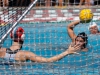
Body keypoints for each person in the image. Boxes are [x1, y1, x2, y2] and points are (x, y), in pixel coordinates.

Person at [0, 26, 82, 63]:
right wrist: (67, 52)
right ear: (23, 37)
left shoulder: (1, 51)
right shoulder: (25, 54)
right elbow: (48, 61)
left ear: (11, 36)